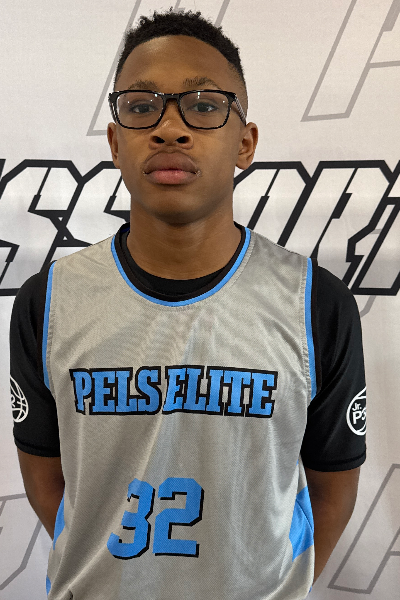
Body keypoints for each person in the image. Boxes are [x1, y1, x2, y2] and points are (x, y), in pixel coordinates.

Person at [10, 9, 366, 600]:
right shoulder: (48, 300)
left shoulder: (315, 302)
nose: (170, 129)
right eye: (141, 106)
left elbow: (333, 489)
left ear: (245, 143)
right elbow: (47, 481)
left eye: (203, 105)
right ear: (115, 142)